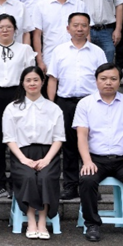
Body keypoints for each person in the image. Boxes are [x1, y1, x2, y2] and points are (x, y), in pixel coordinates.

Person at [76, 63, 123, 243]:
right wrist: (87, 161)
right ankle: (92, 224)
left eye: (113, 79)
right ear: (96, 81)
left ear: (119, 81)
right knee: (87, 180)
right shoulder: (85, 104)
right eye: (103, 79)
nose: (108, 83)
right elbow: (81, 135)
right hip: (96, 159)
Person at [46, 12, 108, 200]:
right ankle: (70, 186)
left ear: (89, 28)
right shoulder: (59, 51)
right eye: (76, 25)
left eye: (83, 25)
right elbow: (52, 79)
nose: (79, 29)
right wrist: (51, 105)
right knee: (69, 146)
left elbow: (104, 78)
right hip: (66, 102)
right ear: (68, 28)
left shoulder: (97, 52)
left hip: (91, 103)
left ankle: (91, 185)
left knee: (92, 144)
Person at [0, 14, 37, 199]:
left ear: (15, 30)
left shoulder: (25, 49)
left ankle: (18, 181)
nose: (5, 30)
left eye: (8, 27)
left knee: (18, 138)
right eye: (1, 27)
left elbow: (30, 76)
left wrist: (28, 100)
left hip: (17, 94)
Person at [3, 66, 65, 240]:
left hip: (48, 153)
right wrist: (23, 159)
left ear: (42, 82)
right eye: (28, 80)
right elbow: (9, 138)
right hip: (21, 154)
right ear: (22, 83)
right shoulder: (12, 108)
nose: (32, 83)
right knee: (29, 177)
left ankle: (42, 221)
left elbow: (59, 138)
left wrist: (47, 159)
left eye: (36, 80)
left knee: (46, 177)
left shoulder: (53, 108)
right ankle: (31, 219)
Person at [31, 0, 87, 72]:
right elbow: (37, 35)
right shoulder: (41, 6)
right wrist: (39, 61)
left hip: (77, 54)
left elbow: (87, 32)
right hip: (51, 55)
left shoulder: (80, 5)